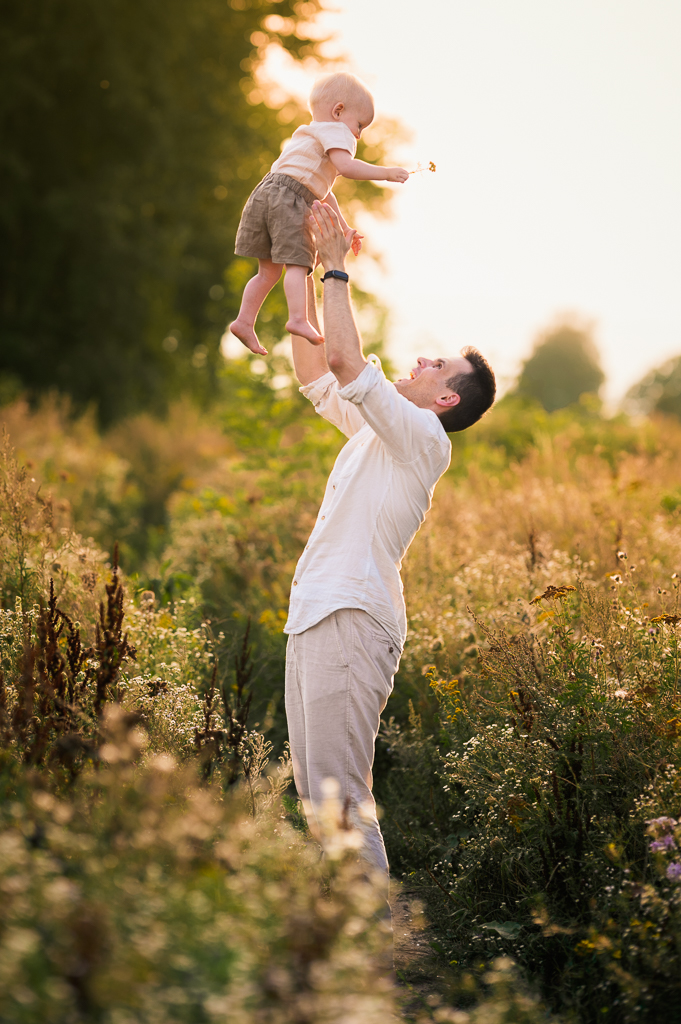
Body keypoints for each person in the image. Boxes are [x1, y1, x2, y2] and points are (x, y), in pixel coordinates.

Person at [284, 202, 496, 891]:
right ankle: (339, 958)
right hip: (317, 617)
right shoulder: (377, 429)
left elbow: (345, 358)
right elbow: (316, 369)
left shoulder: (421, 440)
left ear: (443, 402)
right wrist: (302, 263)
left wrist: (341, 263)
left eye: (439, 366)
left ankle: (368, 975)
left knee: (342, 802)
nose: (424, 357)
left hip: (352, 620)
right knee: (320, 804)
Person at [229, 71, 409, 356]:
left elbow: (322, 193)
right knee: (298, 263)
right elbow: (348, 168)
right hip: (289, 197)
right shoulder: (337, 131)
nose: (359, 134)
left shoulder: (309, 134)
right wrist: (385, 173)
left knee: (267, 272)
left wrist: (344, 227)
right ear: (338, 111)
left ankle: (243, 321)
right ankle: (298, 319)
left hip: (266, 193)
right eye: (360, 125)